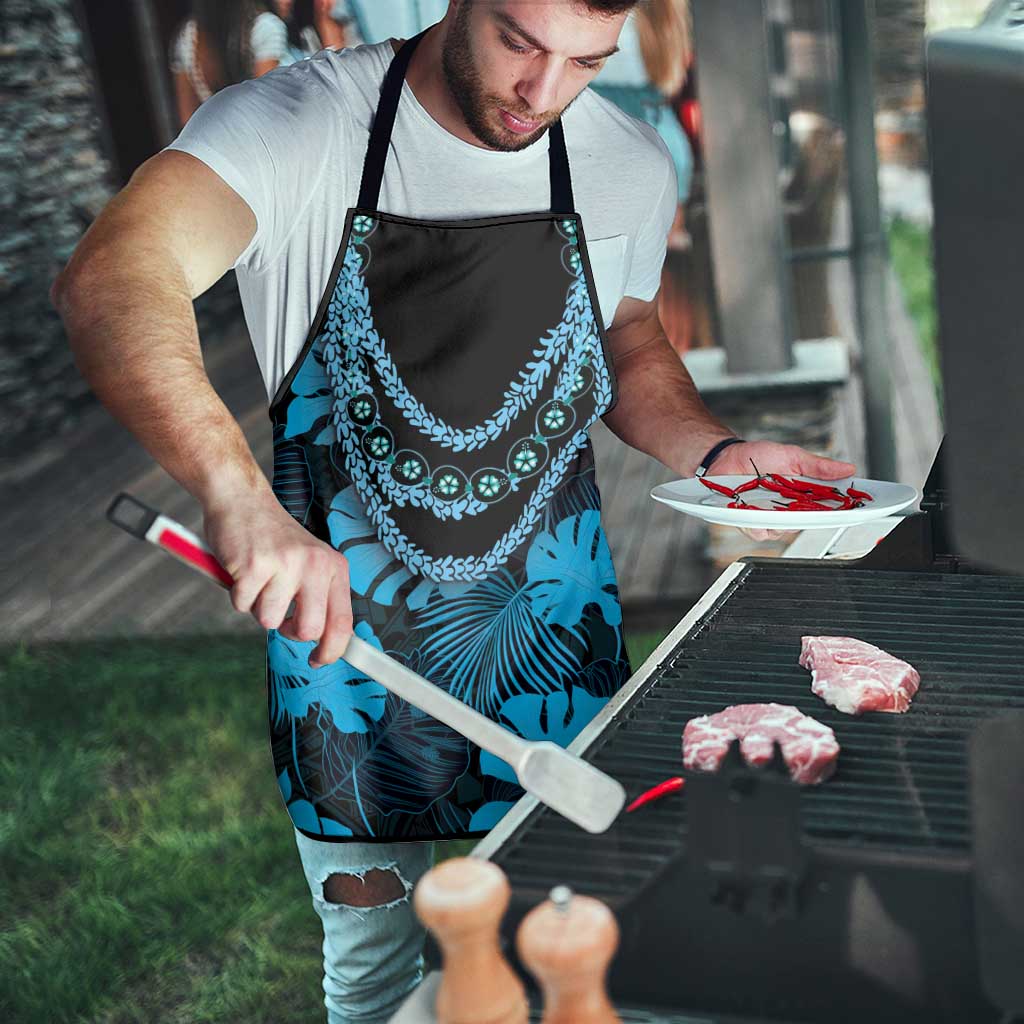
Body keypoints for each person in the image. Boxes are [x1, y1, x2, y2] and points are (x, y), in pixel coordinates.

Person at [53, 1, 856, 1020]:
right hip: (346, 654)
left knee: (579, 950)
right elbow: (113, 276)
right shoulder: (297, 124)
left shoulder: (623, 160)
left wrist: (717, 448)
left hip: (554, 641)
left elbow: (628, 336)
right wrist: (236, 497)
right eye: (521, 42)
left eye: (585, 62)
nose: (544, 93)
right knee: (378, 977)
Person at [169, 0, 289, 127]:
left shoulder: (188, 37)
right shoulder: (266, 27)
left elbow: (187, 120)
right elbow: (266, 107)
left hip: (215, 140)